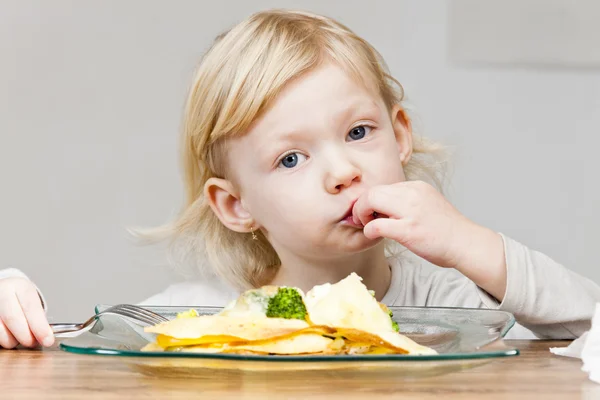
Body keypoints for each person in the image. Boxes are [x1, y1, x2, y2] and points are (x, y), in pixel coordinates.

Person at [1, 10, 598, 349]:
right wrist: (11, 303)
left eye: (360, 132)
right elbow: (80, 340)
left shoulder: (449, 300)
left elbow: (587, 325)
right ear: (235, 205)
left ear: (401, 135)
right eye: (291, 159)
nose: (343, 171)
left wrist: (469, 243)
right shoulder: (205, 315)